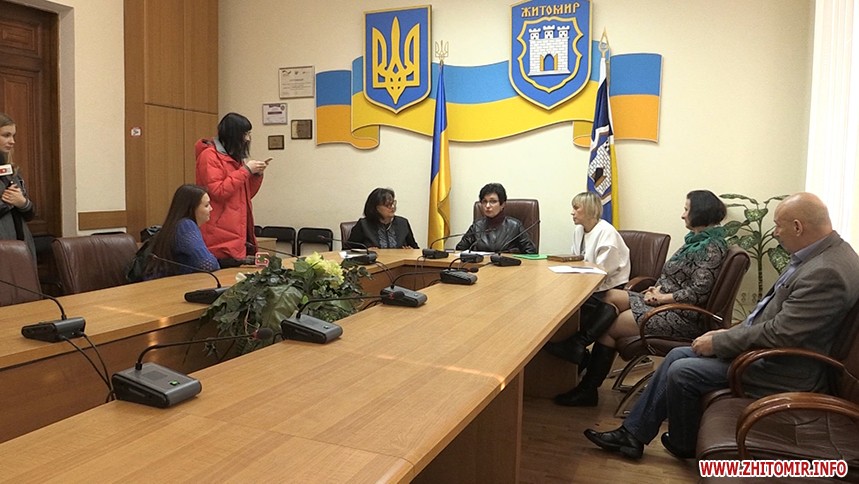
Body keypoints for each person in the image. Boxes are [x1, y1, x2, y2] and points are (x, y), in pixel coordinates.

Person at [584, 192, 859, 460]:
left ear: (798, 227)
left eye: (778, 226)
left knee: (682, 370)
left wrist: (720, 341)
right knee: (677, 355)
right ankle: (634, 435)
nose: (775, 233)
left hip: (781, 368)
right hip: (768, 350)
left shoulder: (825, 271)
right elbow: (773, 320)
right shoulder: (822, 255)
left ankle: (680, 442)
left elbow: (782, 333)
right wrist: (728, 333)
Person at [548, 190, 728, 407]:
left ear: (700, 212)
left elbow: (697, 293)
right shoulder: (696, 241)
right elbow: (677, 277)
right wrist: (655, 289)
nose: (682, 215)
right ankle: (578, 345)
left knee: (611, 326)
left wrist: (661, 298)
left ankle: (588, 389)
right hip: (668, 301)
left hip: (682, 315)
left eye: (686, 210)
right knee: (609, 296)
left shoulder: (710, 247)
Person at [195, 112, 270, 267]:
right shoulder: (209, 156)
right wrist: (246, 171)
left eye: (249, 134)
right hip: (219, 237)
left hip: (237, 233)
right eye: (244, 134)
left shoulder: (235, 159)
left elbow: (245, 195)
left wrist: (256, 175)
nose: (247, 139)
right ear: (233, 134)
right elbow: (218, 192)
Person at [143, 184, 219, 279]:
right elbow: (208, 264)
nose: (211, 209)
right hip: (169, 285)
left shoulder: (177, 224)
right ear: (191, 208)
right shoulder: (185, 226)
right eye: (206, 205)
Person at [455, 182, 537, 254]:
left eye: (493, 201)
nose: (487, 206)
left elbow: (531, 252)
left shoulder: (515, 226)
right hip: (481, 266)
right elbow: (459, 249)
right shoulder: (477, 226)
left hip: (507, 266)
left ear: (502, 204)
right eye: (484, 201)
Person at [0, 113, 36, 258]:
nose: (12, 141)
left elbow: (30, 214)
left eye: (13, 136)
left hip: (22, 245)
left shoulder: (12, 171)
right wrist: (8, 203)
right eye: (6, 135)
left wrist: (23, 203)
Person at [347, 187, 418, 250]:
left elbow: (415, 248)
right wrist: (365, 252)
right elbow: (347, 250)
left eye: (393, 203)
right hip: (374, 261)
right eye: (387, 205)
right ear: (375, 207)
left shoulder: (403, 223)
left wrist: (411, 250)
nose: (392, 207)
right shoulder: (363, 225)